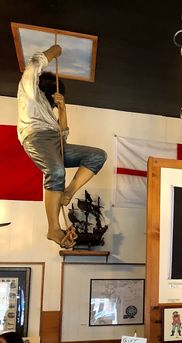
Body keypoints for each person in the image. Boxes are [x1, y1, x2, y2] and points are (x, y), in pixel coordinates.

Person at [17, 44, 107, 249]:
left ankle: (68, 192)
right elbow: (33, 65)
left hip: (55, 141)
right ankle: (53, 228)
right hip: (37, 138)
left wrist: (63, 109)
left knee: (98, 156)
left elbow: (62, 135)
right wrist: (53, 51)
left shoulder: (49, 111)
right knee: (56, 171)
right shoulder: (29, 91)